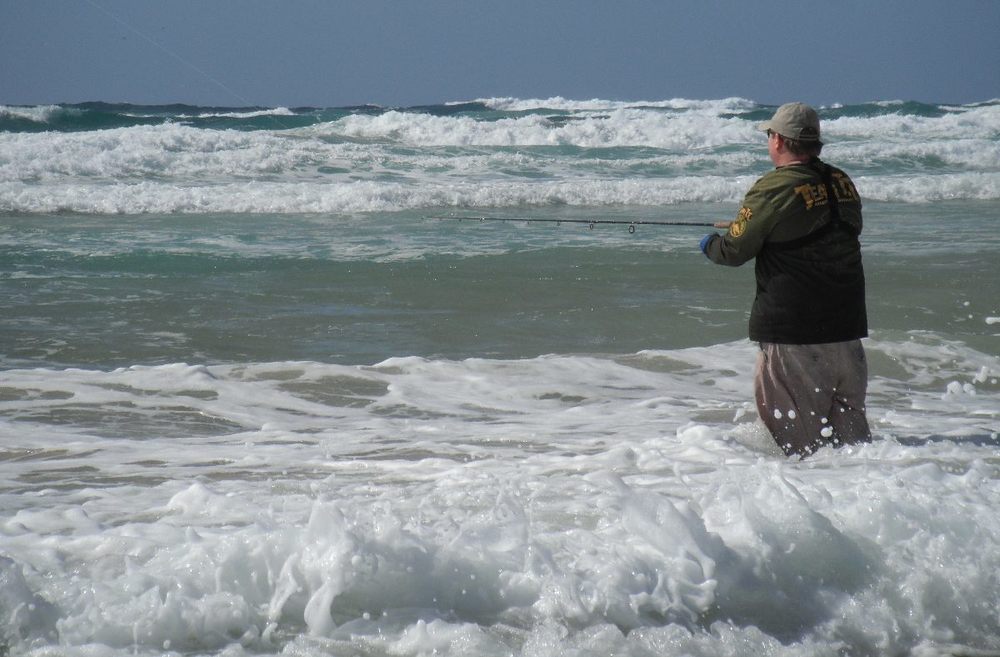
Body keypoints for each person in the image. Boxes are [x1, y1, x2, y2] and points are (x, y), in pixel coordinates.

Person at [699, 102, 871, 457]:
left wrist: (709, 244)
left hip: (795, 335)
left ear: (778, 140)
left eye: (769, 135)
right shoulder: (842, 182)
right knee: (852, 451)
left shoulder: (773, 188)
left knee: (798, 450)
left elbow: (733, 252)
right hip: (847, 332)